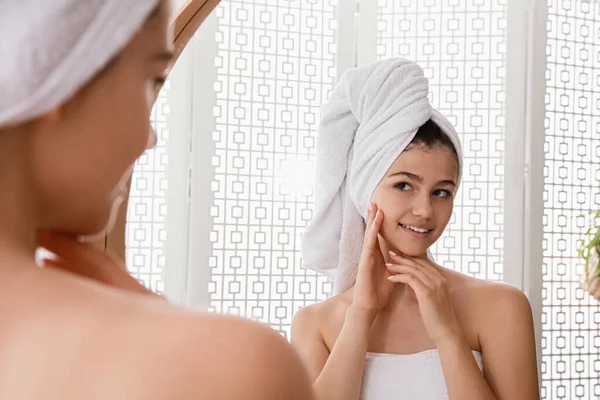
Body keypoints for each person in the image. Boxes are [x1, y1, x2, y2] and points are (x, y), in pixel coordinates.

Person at [0, 1, 313, 399]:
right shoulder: (231, 367)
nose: (151, 138)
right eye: (153, 79)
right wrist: (190, 348)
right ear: (59, 73)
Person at [291, 58, 539, 400]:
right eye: (404, 185)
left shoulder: (501, 306)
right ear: (365, 189)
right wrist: (361, 316)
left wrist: (448, 333)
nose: (424, 210)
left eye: (441, 192)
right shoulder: (315, 324)